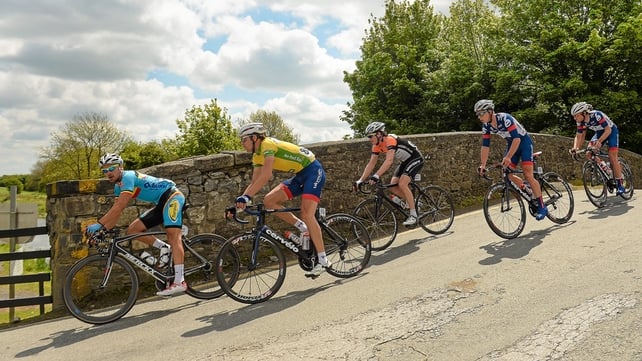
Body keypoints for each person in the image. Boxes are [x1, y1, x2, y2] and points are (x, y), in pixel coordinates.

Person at [234, 123, 330, 277]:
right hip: (300, 175)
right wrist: (240, 201)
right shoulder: (257, 154)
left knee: (307, 213)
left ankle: (324, 260)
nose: (242, 143)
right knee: (269, 201)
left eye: (244, 139)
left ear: (254, 137)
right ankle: (303, 228)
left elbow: (266, 176)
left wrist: (246, 197)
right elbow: (254, 181)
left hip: (313, 171)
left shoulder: (267, 145)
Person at [85, 153, 188, 296]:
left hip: (172, 197)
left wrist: (98, 224)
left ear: (120, 167)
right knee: (133, 230)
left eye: (111, 168)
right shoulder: (118, 187)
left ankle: (179, 281)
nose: (108, 173)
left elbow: (119, 207)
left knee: (173, 234)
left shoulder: (128, 177)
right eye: (104, 170)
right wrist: (102, 230)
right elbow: (116, 213)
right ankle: (164, 248)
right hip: (161, 203)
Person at [474, 99, 549, 220]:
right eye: (477, 114)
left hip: (523, 143)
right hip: (511, 144)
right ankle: (527, 190)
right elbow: (485, 146)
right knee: (508, 173)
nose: (479, 117)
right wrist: (482, 164)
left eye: (481, 113)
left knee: (528, 175)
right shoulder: (486, 126)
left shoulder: (505, 118)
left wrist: (508, 156)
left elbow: (517, 139)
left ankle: (542, 207)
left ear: (490, 111)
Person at [354, 121, 424, 226]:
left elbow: (389, 161)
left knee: (402, 184)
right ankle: (413, 203)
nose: (369, 139)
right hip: (405, 162)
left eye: (370, 136)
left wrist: (376, 175)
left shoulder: (390, 140)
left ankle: (413, 215)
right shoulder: (376, 145)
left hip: (415, 158)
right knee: (392, 186)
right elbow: (371, 163)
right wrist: (360, 180)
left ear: (379, 134)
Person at [569, 101, 626, 195]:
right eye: (574, 116)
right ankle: (606, 168)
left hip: (611, 131)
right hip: (599, 132)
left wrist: (599, 142)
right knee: (589, 153)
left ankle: (620, 185)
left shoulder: (596, 115)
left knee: (612, 156)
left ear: (584, 113)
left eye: (576, 115)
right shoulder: (580, 121)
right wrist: (576, 148)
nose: (575, 118)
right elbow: (580, 135)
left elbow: (608, 130)